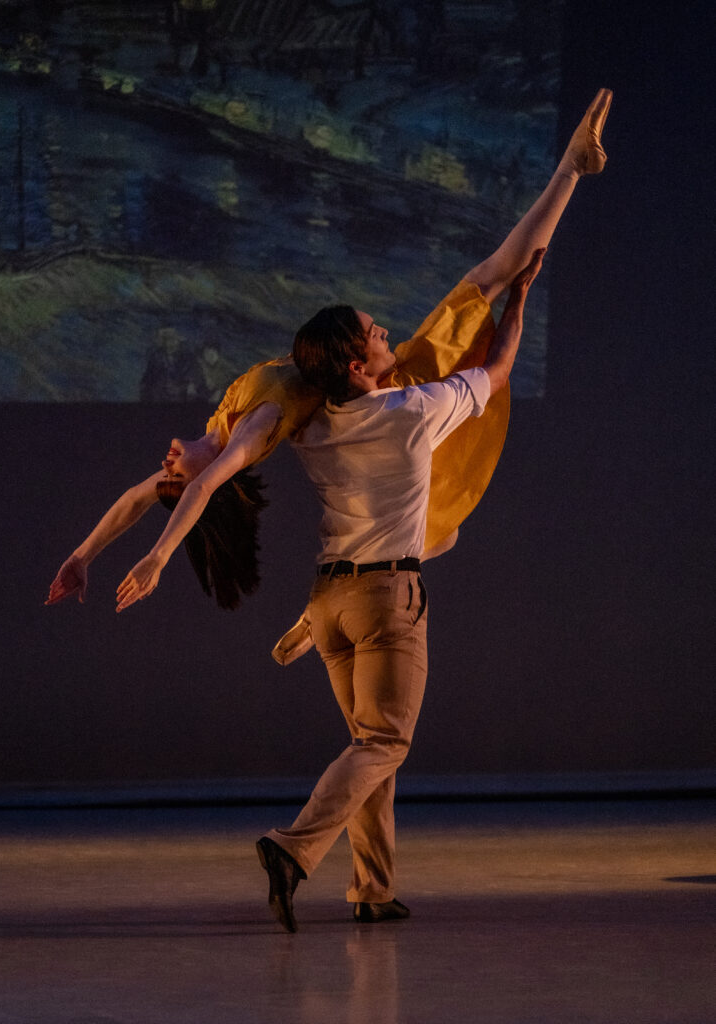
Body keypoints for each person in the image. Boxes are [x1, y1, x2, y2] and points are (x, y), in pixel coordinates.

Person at [46, 89, 612, 615]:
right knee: (487, 286)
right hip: (382, 388)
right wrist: (157, 559)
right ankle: (569, 170)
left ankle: (569, 168)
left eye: (164, 473)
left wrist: (83, 555)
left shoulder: (217, 429)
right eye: (176, 475)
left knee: (445, 528)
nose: (166, 463)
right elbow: (200, 489)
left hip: (368, 376)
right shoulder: (254, 431)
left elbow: (136, 500)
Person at [257, 247, 545, 933]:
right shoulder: (414, 410)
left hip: (327, 604)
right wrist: (518, 298)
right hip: (387, 599)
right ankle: (292, 848)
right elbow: (497, 371)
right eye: (377, 333)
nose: (389, 334)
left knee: (368, 744)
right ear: (358, 366)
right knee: (385, 743)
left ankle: (372, 888)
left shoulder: (313, 425)